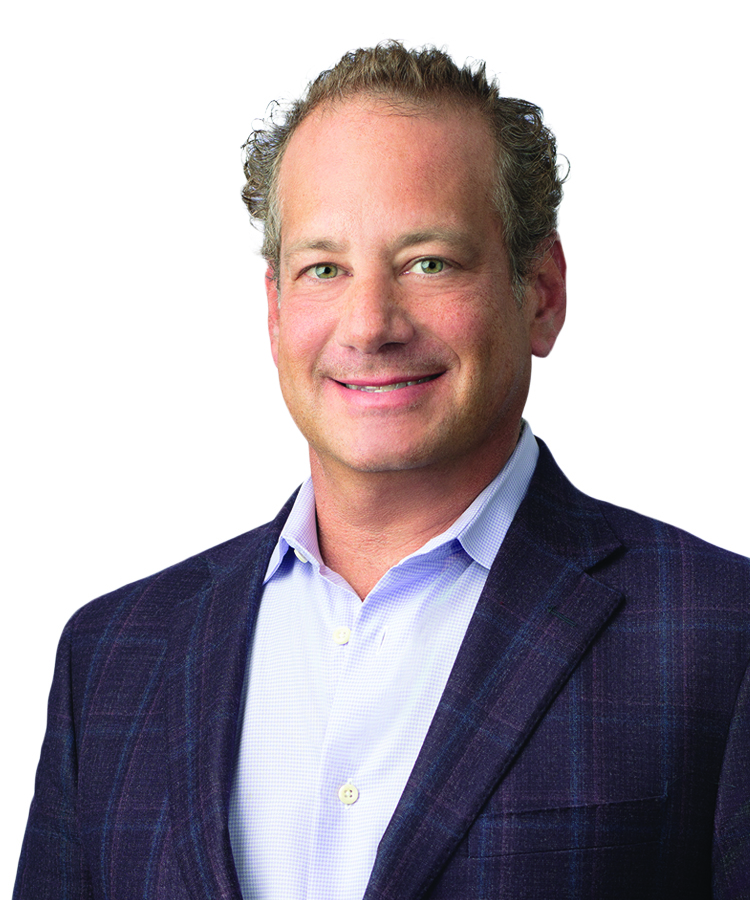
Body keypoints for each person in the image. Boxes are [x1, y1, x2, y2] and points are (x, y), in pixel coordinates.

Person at [14, 42, 749, 900]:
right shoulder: (113, 658)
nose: (369, 324)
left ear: (541, 292)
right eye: (324, 268)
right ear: (276, 307)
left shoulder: (720, 641)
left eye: (428, 262)